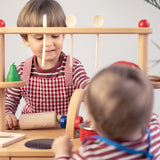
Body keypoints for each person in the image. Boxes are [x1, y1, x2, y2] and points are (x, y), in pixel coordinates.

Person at [5, 0, 90, 130]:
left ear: (64, 35)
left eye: (55, 35)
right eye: (40, 38)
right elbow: (10, 99)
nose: (48, 43)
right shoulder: (22, 70)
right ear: (25, 39)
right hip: (30, 131)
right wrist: (7, 113)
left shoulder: (72, 66)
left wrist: (96, 94)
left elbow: (87, 87)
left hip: (64, 132)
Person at [52, 64, 160, 159]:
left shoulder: (90, 154)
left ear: (93, 122)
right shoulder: (155, 134)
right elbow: (150, 116)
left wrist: (61, 153)